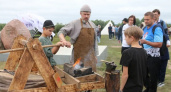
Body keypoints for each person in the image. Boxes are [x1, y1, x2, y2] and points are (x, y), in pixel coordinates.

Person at [57, 5, 98, 72]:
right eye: (84, 14)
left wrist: (95, 55)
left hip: (90, 57)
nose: (86, 16)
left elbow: (95, 42)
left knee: (90, 76)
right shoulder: (74, 23)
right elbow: (61, 32)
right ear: (80, 13)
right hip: (78, 56)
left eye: (88, 14)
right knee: (77, 74)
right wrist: (63, 40)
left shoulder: (92, 25)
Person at [140, 12, 163, 92]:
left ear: (153, 19)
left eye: (147, 19)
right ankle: (148, 89)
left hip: (154, 58)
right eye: (144, 19)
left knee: (153, 78)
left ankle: (151, 89)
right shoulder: (144, 28)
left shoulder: (157, 28)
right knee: (143, 75)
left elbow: (159, 44)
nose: (145, 21)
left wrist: (146, 42)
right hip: (145, 56)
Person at [120, 26, 147, 92]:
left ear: (132, 38)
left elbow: (125, 75)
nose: (125, 39)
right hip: (139, 87)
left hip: (129, 87)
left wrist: (120, 89)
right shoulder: (144, 51)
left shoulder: (127, 53)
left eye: (126, 37)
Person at [152, 9, 170, 87]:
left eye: (156, 14)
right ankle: (156, 80)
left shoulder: (162, 23)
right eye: (153, 14)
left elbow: (166, 33)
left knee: (163, 63)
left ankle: (161, 80)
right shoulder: (152, 22)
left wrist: (168, 41)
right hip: (154, 45)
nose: (154, 15)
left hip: (162, 45)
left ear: (159, 14)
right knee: (156, 64)